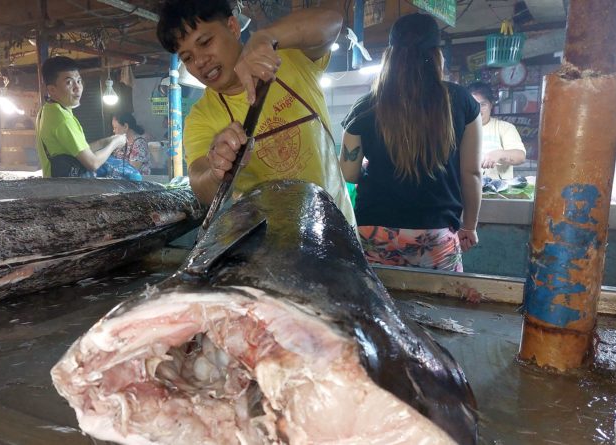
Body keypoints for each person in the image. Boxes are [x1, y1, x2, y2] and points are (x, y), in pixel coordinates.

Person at [156, 0, 356, 225]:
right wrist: (215, 170)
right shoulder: (201, 117)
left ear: (232, 27)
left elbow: (332, 21)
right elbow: (202, 186)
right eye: (187, 58)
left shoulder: (291, 58)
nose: (200, 61)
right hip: (267, 246)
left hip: (337, 231)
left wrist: (266, 36)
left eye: (205, 42)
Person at [339, 13, 482, 273]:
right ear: (437, 55)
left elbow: (348, 172)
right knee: (441, 308)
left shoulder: (365, 105)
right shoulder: (461, 101)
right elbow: (471, 173)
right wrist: (469, 226)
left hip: (374, 229)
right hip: (435, 232)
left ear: (390, 56)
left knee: (375, 307)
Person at [35, 56, 126, 178]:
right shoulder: (62, 119)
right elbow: (93, 163)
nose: (77, 88)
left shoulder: (47, 110)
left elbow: (78, 150)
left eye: (78, 81)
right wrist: (114, 143)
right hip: (67, 192)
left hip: (55, 186)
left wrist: (106, 141)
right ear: (52, 89)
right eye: (69, 82)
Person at [467, 81, 526, 179]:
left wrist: (499, 154)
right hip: (467, 188)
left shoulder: (505, 128)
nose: (478, 110)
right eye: (473, 104)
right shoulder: (459, 129)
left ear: (491, 105)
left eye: (483, 104)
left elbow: (520, 156)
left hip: (498, 192)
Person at [111, 111, 151, 176]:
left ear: (126, 126)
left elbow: (131, 171)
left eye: (115, 128)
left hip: (137, 184)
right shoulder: (122, 143)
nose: (113, 130)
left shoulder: (139, 143)